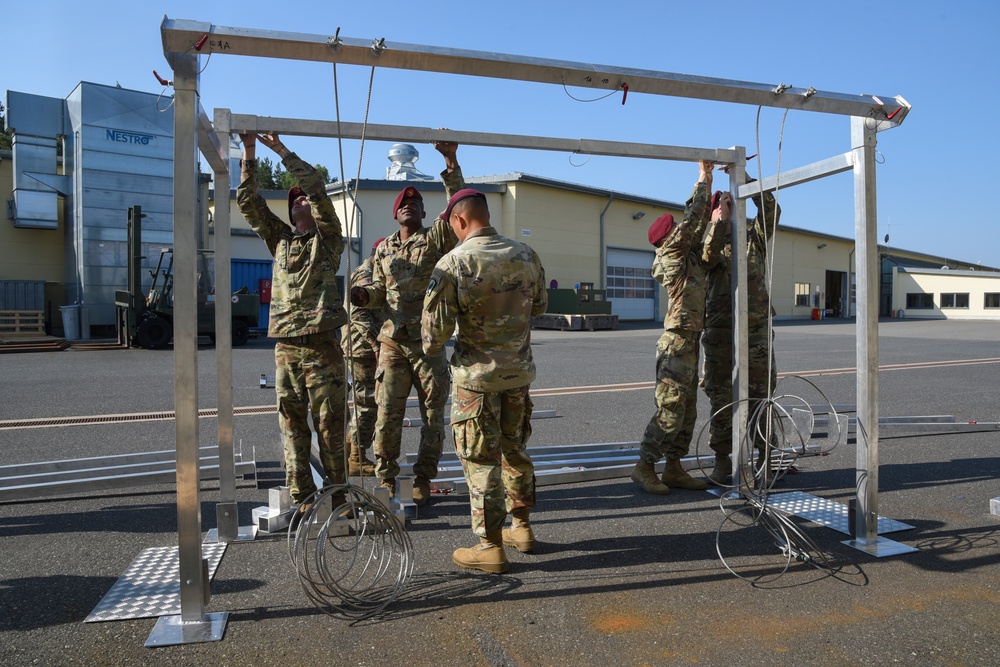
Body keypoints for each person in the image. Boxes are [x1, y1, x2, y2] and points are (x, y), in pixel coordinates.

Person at [422, 188, 547, 574]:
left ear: (458, 220)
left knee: (480, 462)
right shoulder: (526, 255)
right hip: (518, 376)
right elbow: (539, 307)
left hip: (476, 382)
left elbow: (433, 336)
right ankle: (521, 527)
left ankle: (490, 546)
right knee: (514, 451)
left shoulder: (454, 263)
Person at [237, 132, 348, 516]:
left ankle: (338, 498)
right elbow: (249, 203)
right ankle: (302, 499)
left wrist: (280, 151)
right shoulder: (281, 241)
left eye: (304, 197)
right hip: (286, 347)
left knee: (331, 428)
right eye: (294, 198)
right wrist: (249, 151)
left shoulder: (329, 239)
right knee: (292, 425)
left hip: (322, 345)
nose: (301, 198)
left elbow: (317, 187)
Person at [350, 140, 465, 506]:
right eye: (404, 204)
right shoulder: (383, 250)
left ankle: (422, 479)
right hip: (394, 343)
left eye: (416, 204)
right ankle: (387, 478)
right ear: (396, 213)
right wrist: (364, 297)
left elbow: (457, 205)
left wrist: (450, 160)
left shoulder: (434, 240)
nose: (410, 206)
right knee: (388, 414)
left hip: (429, 342)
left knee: (434, 415)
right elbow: (380, 290)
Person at [631, 160, 726, 495]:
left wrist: (717, 217)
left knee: (687, 411)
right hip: (676, 343)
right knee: (670, 409)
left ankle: (673, 467)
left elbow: (706, 245)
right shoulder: (671, 254)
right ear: (668, 239)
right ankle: (644, 467)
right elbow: (694, 220)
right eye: (677, 231)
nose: (682, 233)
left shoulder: (687, 259)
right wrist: (704, 177)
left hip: (690, 340)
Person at [700, 167, 782, 484]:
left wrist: (745, 181)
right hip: (720, 333)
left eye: (735, 207)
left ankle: (765, 460)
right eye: (726, 208)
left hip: (756, 331)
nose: (732, 212)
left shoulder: (754, 242)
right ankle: (723, 460)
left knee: (760, 397)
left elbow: (772, 210)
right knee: (721, 398)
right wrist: (719, 220)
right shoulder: (710, 245)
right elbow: (706, 257)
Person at [342, 237, 386, 477]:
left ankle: (352, 449)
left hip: (362, 348)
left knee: (364, 399)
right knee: (367, 402)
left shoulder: (370, 271)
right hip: (363, 349)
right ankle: (357, 457)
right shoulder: (366, 275)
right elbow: (359, 315)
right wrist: (377, 345)